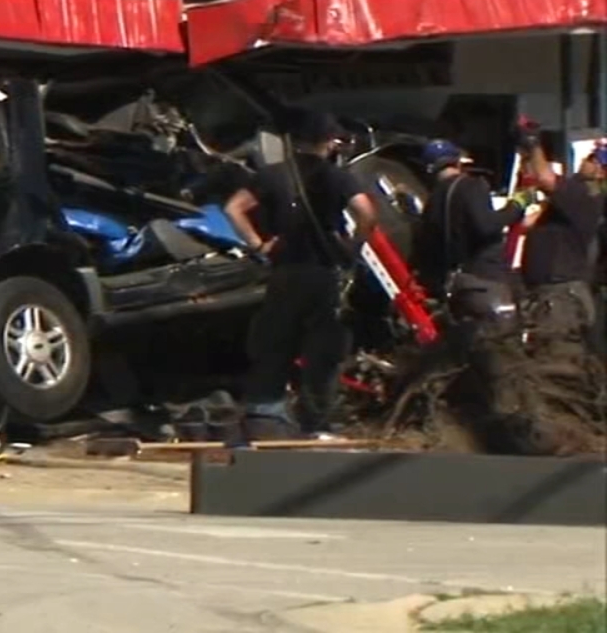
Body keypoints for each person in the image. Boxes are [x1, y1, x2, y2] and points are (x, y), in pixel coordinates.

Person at [223, 111, 379, 439]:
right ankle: (316, 423)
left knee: (274, 344)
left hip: (284, 272)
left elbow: (233, 208)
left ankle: (265, 417)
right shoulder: (337, 177)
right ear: (328, 141)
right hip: (322, 273)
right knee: (323, 352)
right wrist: (353, 245)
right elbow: (366, 213)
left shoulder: (271, 175)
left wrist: (258, 244)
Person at [415, 139, 527, 340]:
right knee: (503, 348)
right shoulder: (471, 186)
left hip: (455, 288)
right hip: (485, 282)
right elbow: (487, 226)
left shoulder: (432, 201)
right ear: (458, 162)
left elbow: (424, 250)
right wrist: (517, 206)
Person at [517, 137, 606, 340]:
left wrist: (534, 142)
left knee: (555, 357)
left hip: (561, 296)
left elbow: (545, 178)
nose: (586, 161)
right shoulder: (570, 199)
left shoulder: (585, 194)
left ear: (601, 171)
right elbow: (526, 224)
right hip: (547, 293)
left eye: (593, 159)